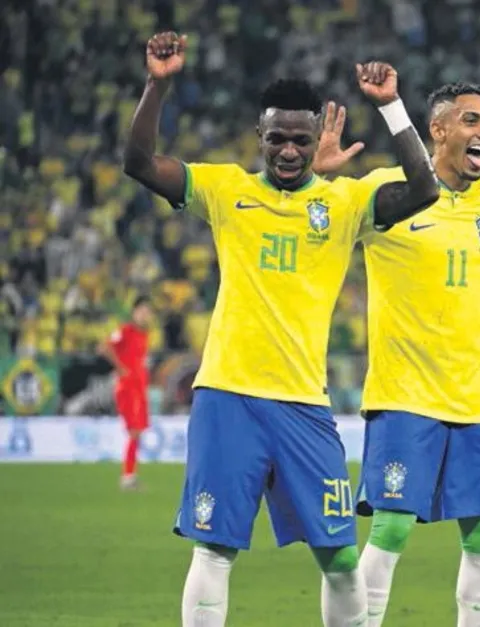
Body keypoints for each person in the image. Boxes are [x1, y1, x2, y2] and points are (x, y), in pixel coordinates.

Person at [122, 31, 438, 627]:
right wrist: (156, 86)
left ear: (318, 139)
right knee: (214, 548)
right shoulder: (225, 189)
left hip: (303, 404)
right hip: (228, 396)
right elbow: (138, 164)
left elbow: (425, 189)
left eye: (300, 139)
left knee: (340, 556)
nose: (288, 151)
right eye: (276, 139)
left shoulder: (345, 203)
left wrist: (392, 106)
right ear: (259, 137)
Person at [313, 82, 480, 627]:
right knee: (392, 528)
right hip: (403, 394)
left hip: (475, 400)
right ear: (438, 129)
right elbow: (319, 229)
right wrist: (318, 181)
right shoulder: (385, 188)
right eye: (472, 121)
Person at [100, 295, 154, 490]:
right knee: (134, 431)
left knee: (137, 431)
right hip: (128, 387)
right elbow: (104, 347)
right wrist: (120, 368)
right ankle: (128, 477)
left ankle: (130, 474)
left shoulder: (144, 334)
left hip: (139, 387)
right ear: (134, 312)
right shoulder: (125, 331)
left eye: (148, 312)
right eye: (142, 311)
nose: (145, 315)